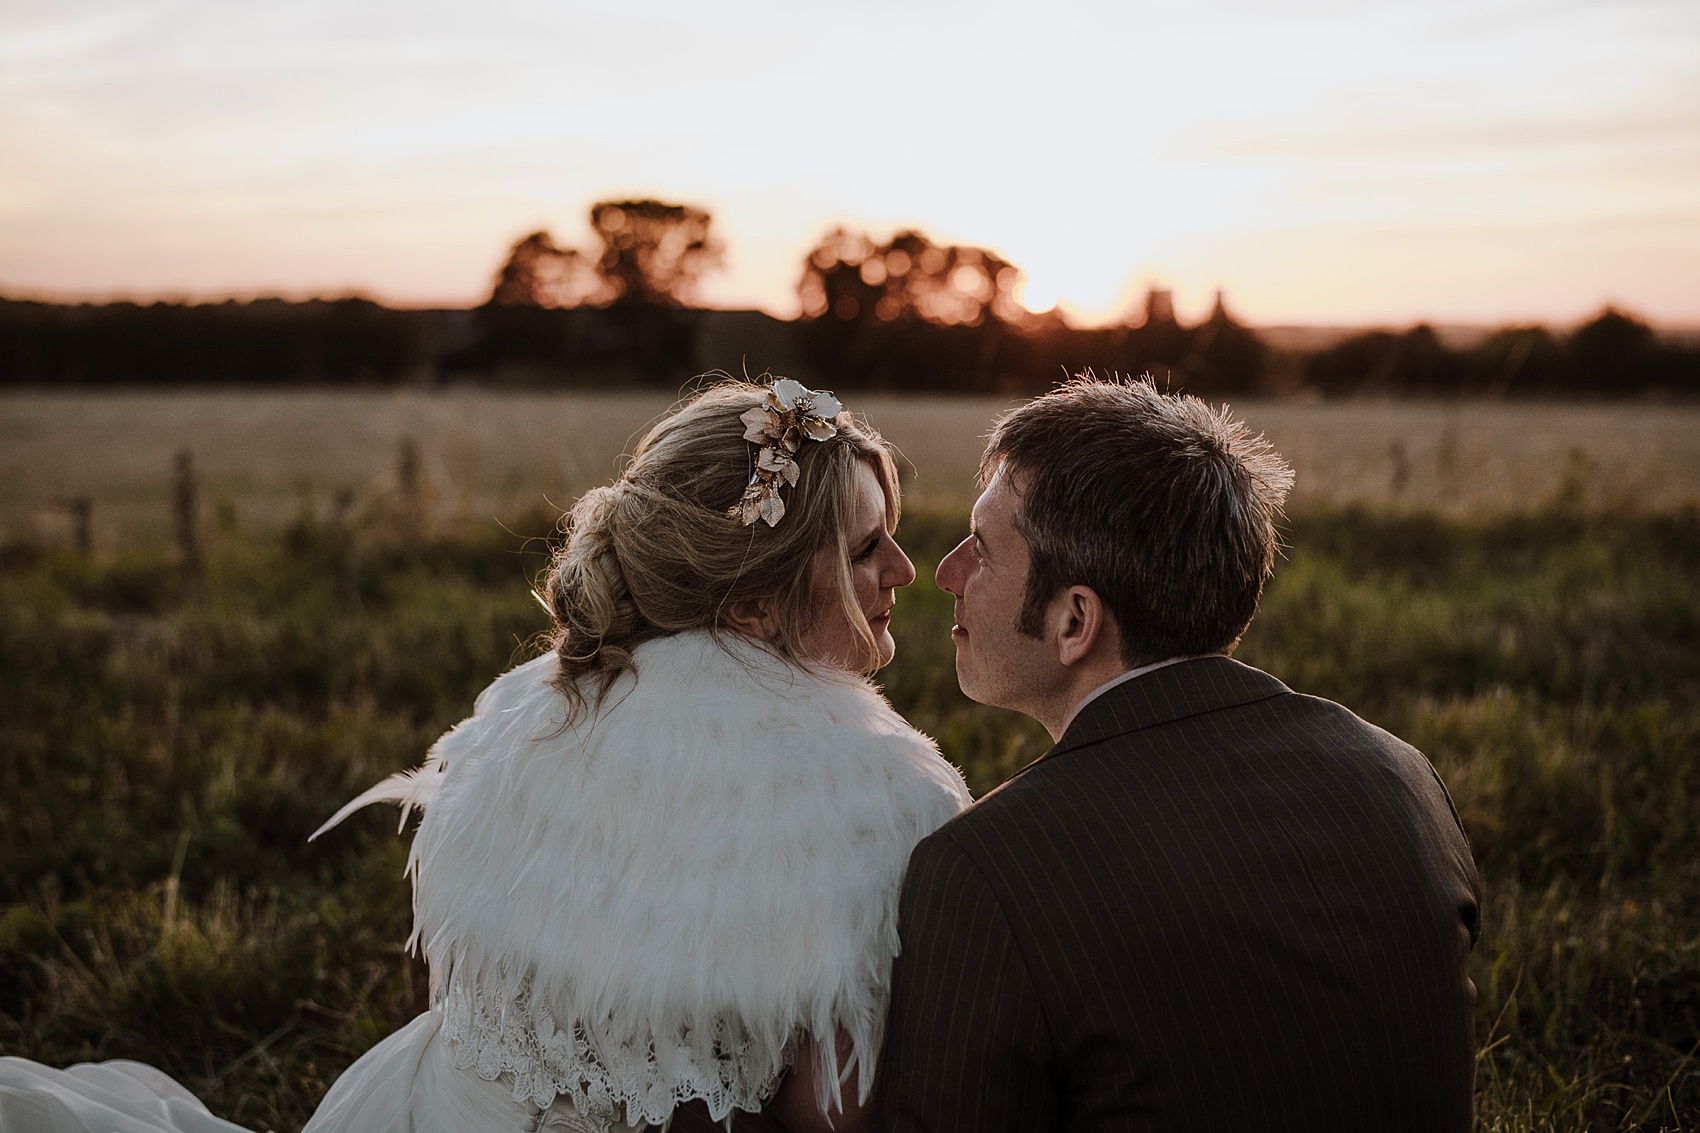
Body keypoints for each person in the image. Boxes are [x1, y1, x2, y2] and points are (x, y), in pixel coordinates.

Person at [0, 378, 971, 1133]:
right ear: (756, 600)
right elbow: (827, 1111)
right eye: (863, 547)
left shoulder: (534, 700)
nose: (903, 570)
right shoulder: (872, 789)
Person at [880, 376, 1482, 1132]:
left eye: (985, 550)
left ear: (1075, 620)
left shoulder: (983, 869)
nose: (947, 572)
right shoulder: (1403, 776)